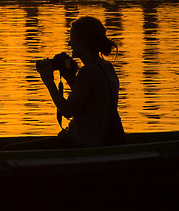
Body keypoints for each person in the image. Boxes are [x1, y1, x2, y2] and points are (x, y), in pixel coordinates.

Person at [40, 16, 126, 146]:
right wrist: (70, 79)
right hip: (101, 138)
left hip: (85, 141)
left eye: (72, 38)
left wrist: (49, 82)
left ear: (84, 40)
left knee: (11, 149)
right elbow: (89, 103)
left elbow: (68, 111)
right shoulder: (106, 67)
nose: (70, 43)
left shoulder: (89, 71)